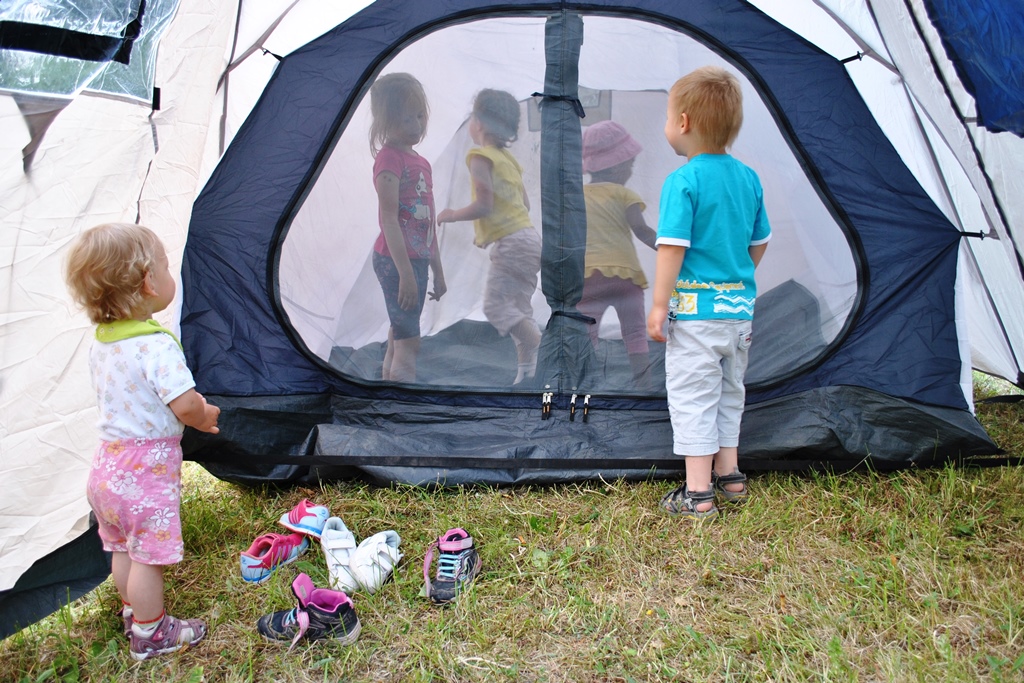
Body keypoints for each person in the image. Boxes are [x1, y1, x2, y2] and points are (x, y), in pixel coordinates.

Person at [64, 223, 221, 660]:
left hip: (106, 468)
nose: (171, 275)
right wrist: (204, 416)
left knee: (123, 549)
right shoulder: (155, 346)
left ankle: (133, 611)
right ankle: (151, 634)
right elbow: (184, 404)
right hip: (144, 473)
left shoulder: (103, 343)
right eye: (166, 268)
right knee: (149, 558)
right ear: (150, 282)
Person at [646, 66, 771, 519]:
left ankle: (698, 495)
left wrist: (659, 304)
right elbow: (760, 241)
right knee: (729, 392)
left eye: (667, 117)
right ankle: (731, 476)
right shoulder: (748, 178)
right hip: (738, 314)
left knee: (694, 397)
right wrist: (737, 277)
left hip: (696, 317)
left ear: (682, 123)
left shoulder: (683, 181)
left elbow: (672, 248)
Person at [437, 89, 542, 385]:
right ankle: (526, 373)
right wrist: (491, 230)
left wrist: (452, 214)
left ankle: (542, 347)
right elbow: (524, 205)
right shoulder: (509, 160)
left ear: (479, 123)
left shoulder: (480, 157)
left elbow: (485, 205)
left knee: (495, 307)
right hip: (529, 240)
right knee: (519, 310)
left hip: (512, 243)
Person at [369, 72, 446, 383]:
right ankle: (401, 401)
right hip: (394, 261)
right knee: (409, 342)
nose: (416, 125)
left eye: (419, 116)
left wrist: (438, 270)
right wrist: (405, 275)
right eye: (406, 119)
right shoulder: (390, 160)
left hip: (416, 260)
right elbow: (388, 219)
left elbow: (428, 223)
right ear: (386, 122)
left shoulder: (421, 162)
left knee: (399, 331)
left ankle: (389, 389)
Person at [580, 120, 658, 389]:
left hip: (589, 277)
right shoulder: (624, 194)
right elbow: (642, 231)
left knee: (587, 333)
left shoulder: (578, 196)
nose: (631, 170)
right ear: (615, 165)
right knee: (635, 332)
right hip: (626, 277)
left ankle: (586, 384)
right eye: (630, 164)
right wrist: (671, 250)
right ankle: (644, 386)